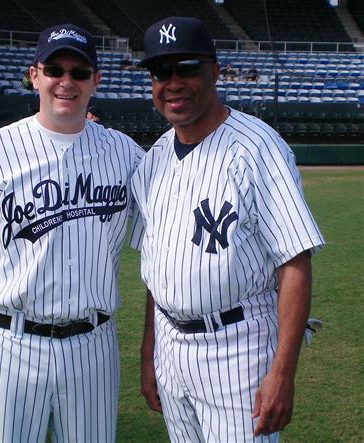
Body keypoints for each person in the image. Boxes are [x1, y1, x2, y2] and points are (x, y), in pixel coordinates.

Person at [0, 23, 143, 442]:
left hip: (93, 346)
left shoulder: (126, 154)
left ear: (96, 81)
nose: (67, 81)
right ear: (34, 75)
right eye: (55, 69)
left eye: (79, 73)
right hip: (11, 343)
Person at [129, 17, 325, 441]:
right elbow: (155, 267)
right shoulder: (154, 160)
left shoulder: (258, 147)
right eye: (162, 71)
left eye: (187, 68)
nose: (174, 82)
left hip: (238, 347)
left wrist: (283, 373)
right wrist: (149, 354)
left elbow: (295, 263)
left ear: (215, 72)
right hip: (169, 345)